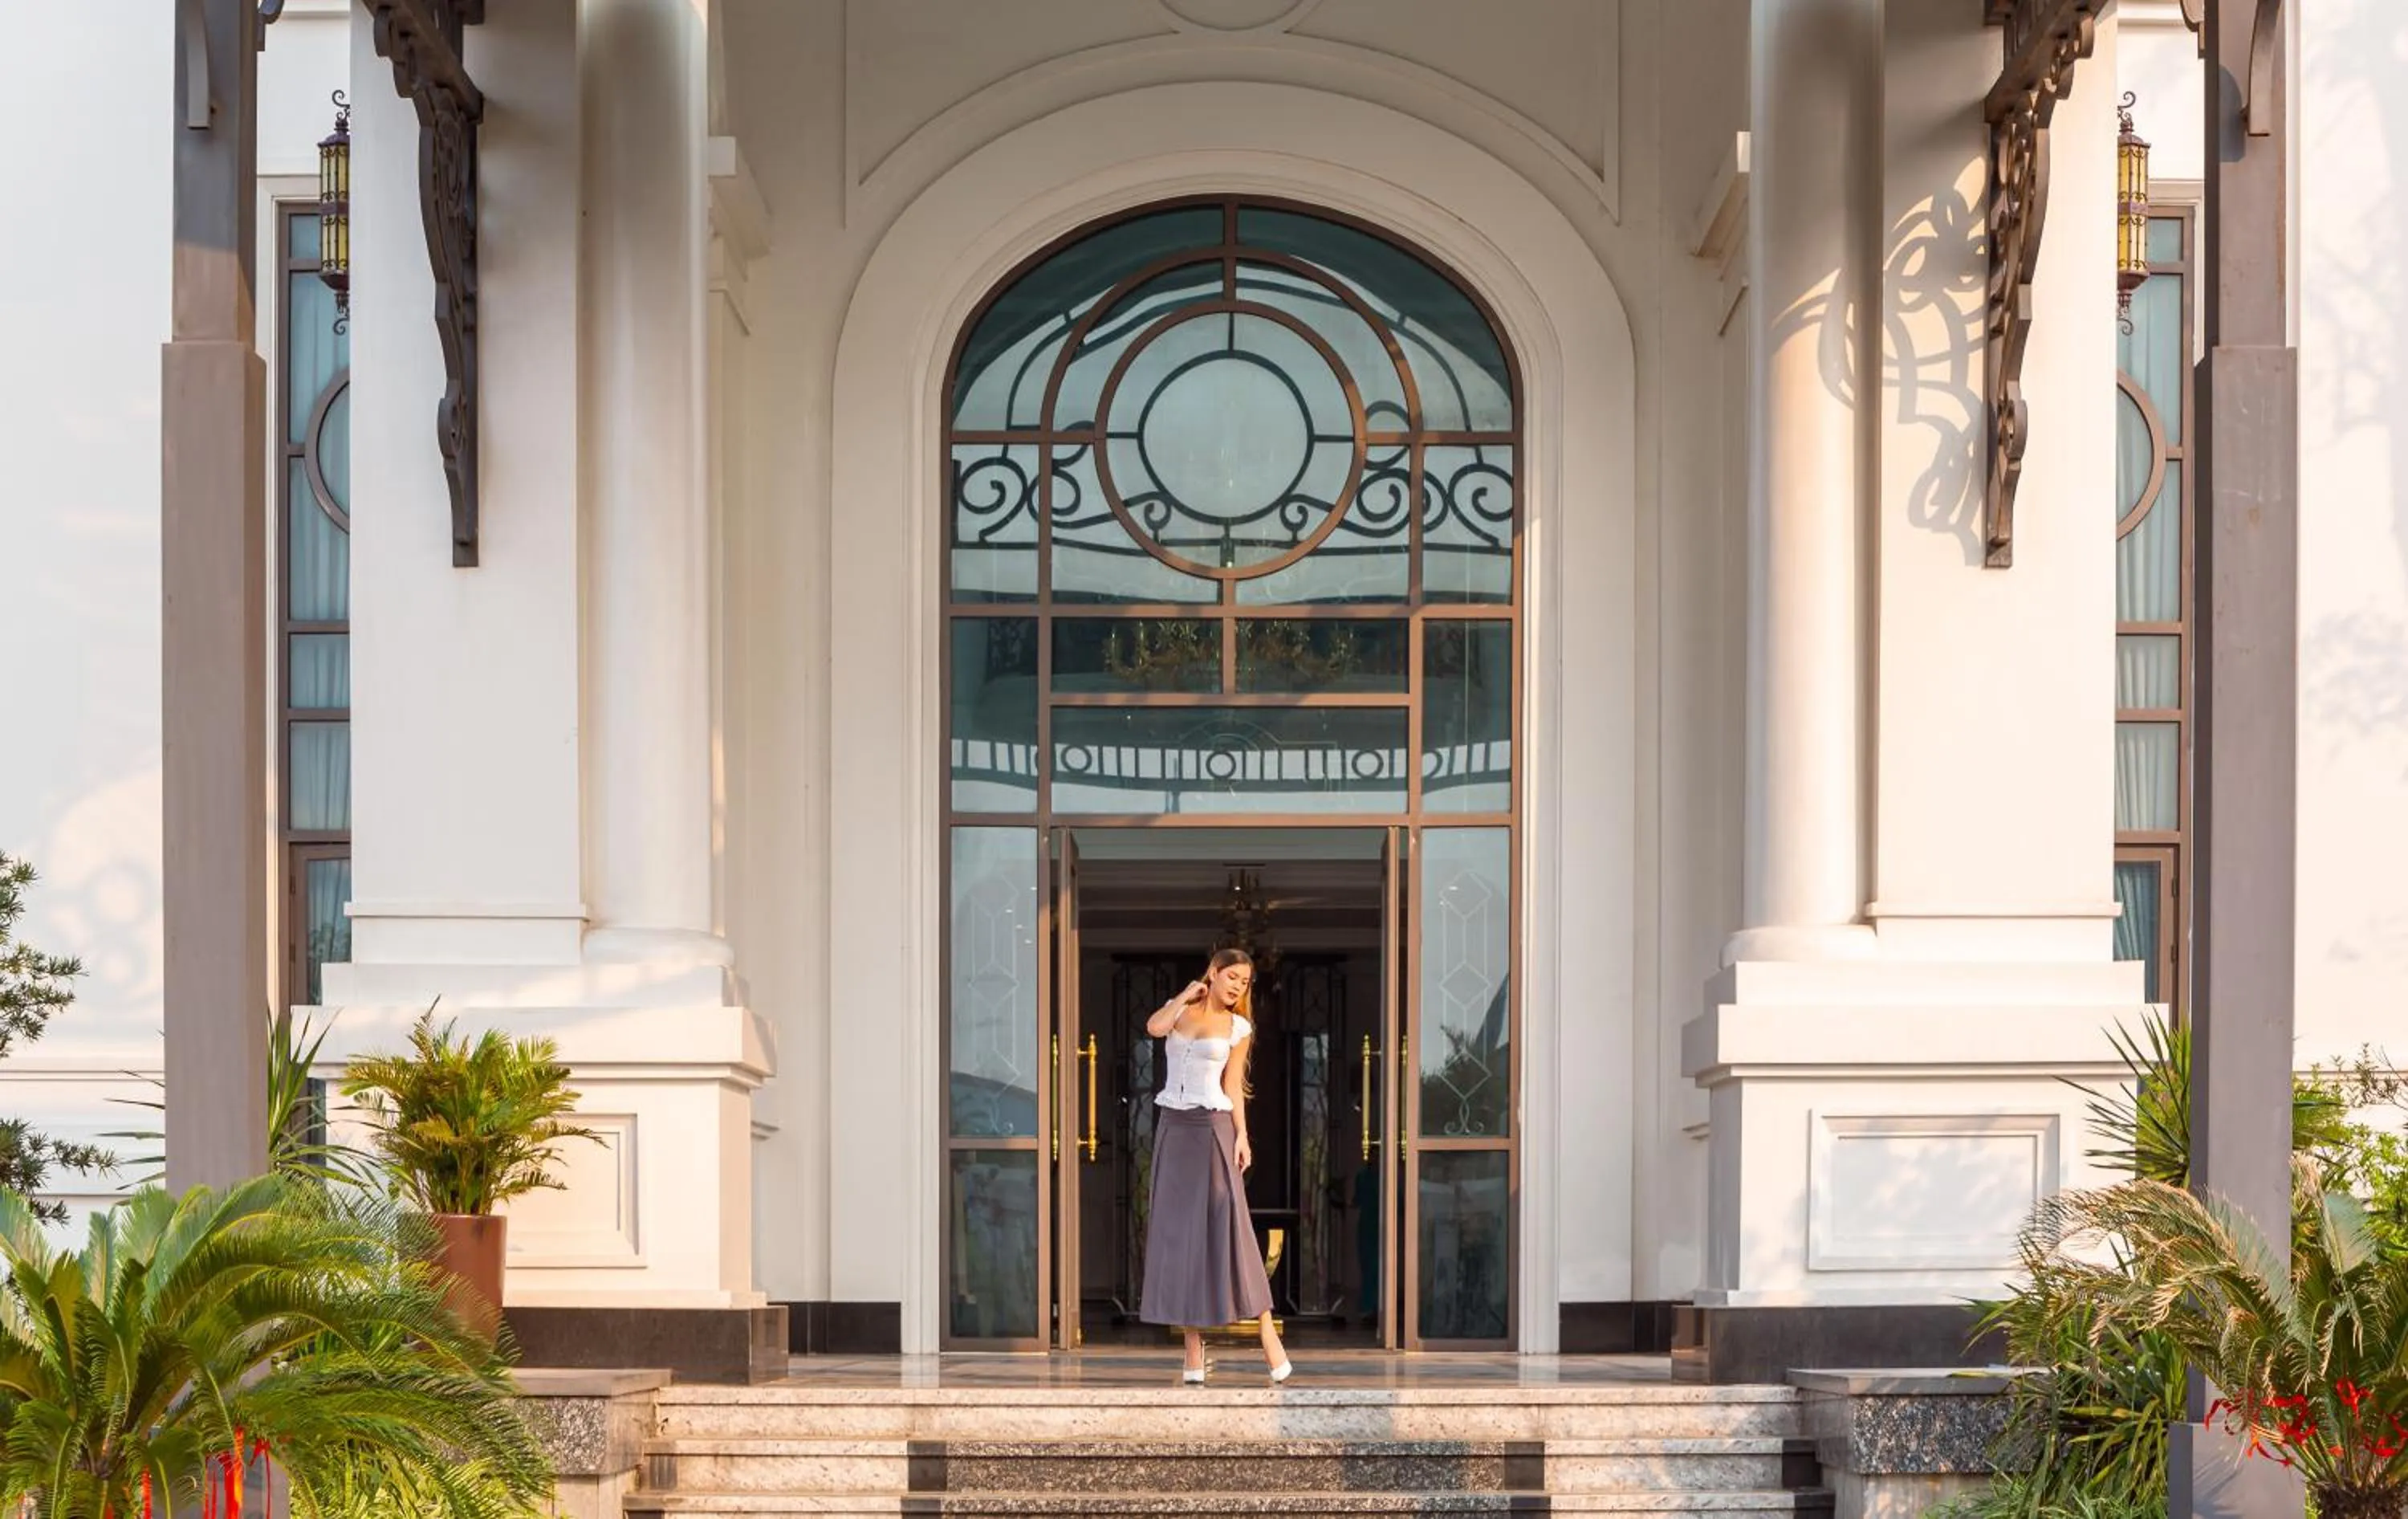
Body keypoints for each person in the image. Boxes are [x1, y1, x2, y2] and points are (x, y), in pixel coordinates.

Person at [1138, 947, 1294, 1386]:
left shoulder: (1237, 1027)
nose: (1238, 987)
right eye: (1233, 978)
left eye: (1245, 982)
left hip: (1214, 1127)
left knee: (1231, 1227)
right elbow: (1154, 1028)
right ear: (1214, 973)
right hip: (1173, 1127)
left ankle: (1267, 1333)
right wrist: (1187, 993)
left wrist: (1242, 1135)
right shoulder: (1181, 1013)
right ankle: (1192, 1346)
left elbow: (1233, 1085)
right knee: (1178, 1233)